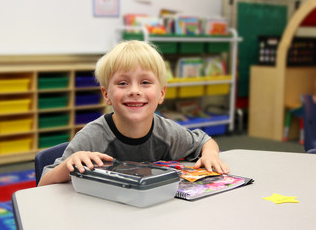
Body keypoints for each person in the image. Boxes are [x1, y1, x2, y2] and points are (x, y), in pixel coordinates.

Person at [38, 40, 229, 186]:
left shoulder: (167, 132)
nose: (135, 91)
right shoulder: (93, 137)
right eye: (123, 83)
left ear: (161, 93)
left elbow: (204, 141)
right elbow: (43, 183)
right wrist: (68, 164)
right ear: (107, 95)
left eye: (145, 82)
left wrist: (211, 156)